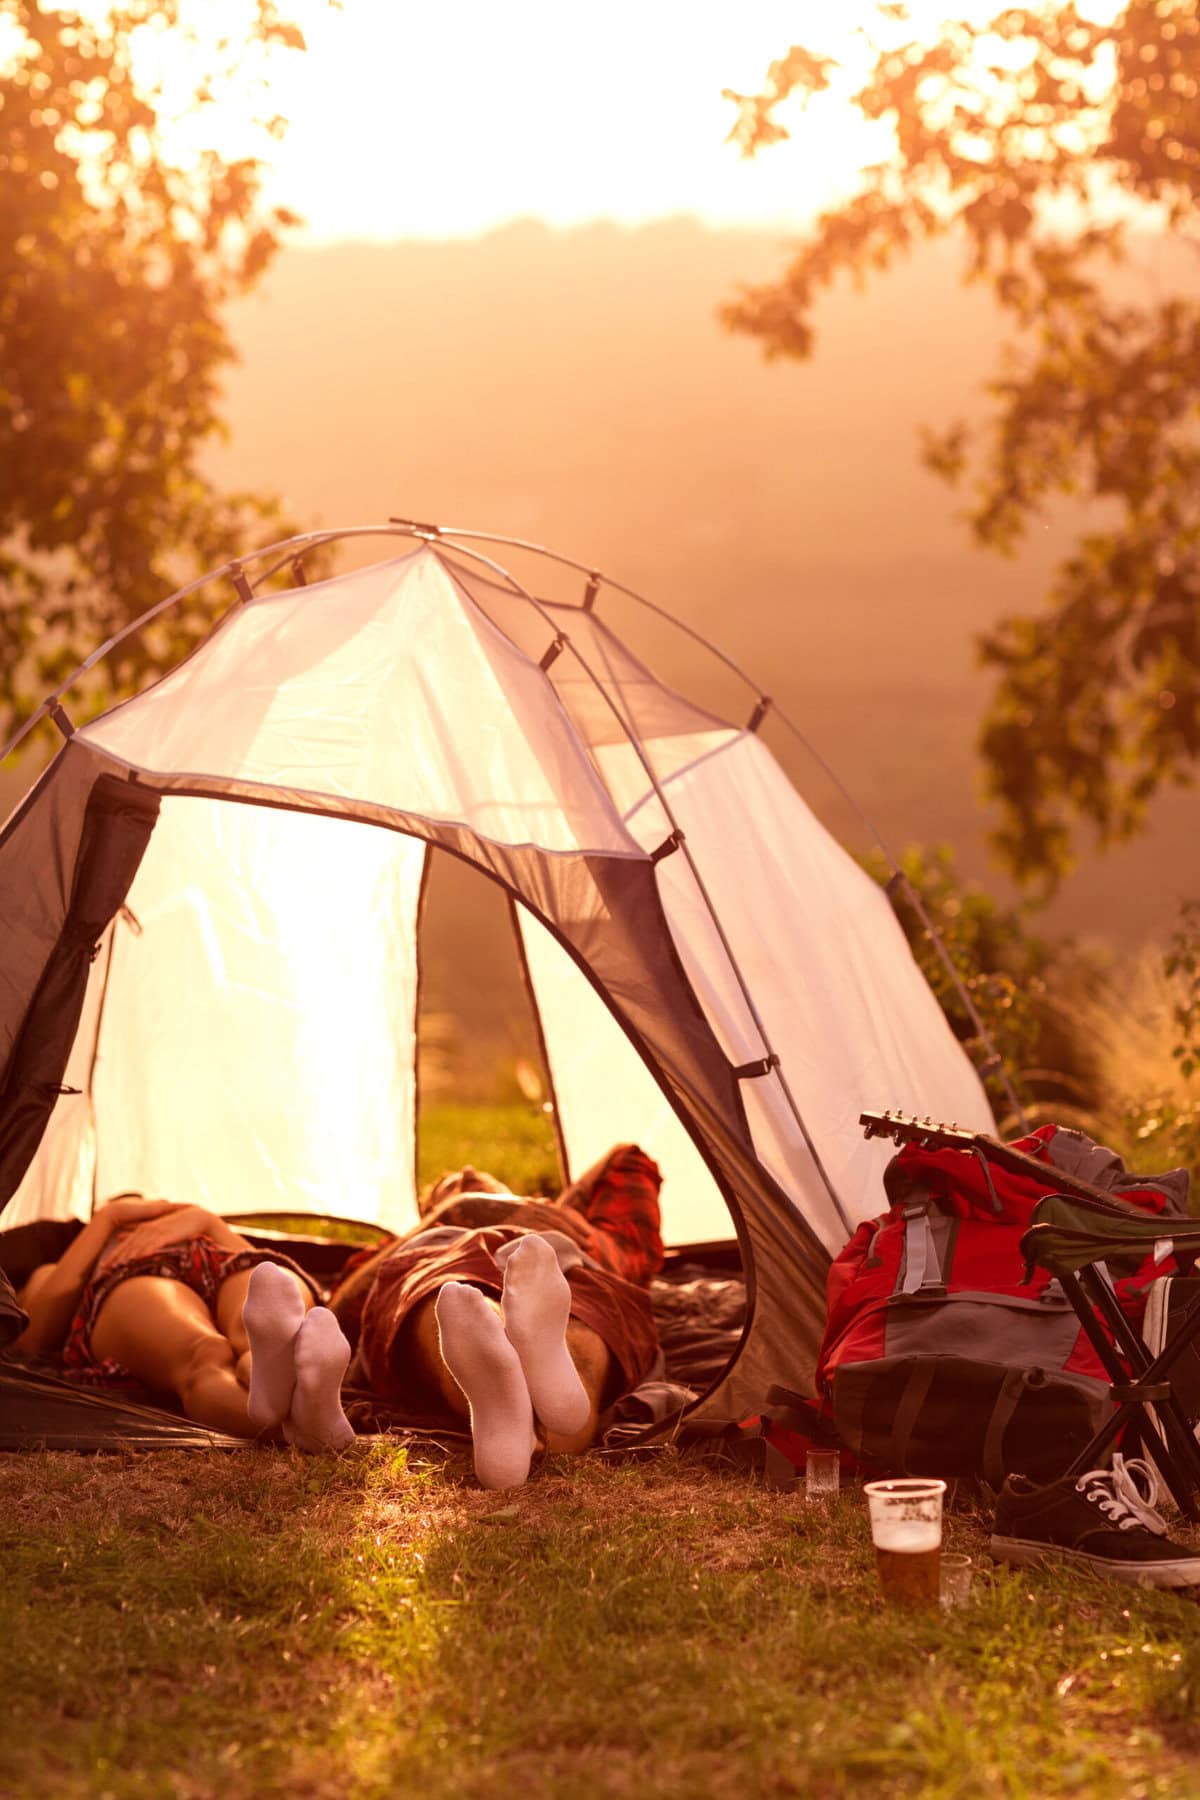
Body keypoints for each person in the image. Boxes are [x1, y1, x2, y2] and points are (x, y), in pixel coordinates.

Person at [330, 1142, 665, 1489]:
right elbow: (343, 1308)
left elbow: (629, 1157)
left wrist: (547, 1207)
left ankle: (515, 1424)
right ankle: (544, 1408)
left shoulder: (572, 1224)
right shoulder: (411, 1240)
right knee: (451, 1299)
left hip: (566, 1262)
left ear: (516, 1195)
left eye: (478, 1182)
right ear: (431, 1211)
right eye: (449, 1189)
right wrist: (462, 1210)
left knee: (581, 1312)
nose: (467, 1176)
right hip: (440, 1252)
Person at [13, 1195, 354, 1451]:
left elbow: (269, 1282)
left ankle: (291, 1395)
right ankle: (296, 1427)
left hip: (214, 1261)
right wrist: (108, 1220)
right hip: (130, 1279)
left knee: (264, 1311)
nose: (148, 1213)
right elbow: (31, 1339)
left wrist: (206, 1222)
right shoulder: (71, 1259)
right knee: (205, 1353)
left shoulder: (196, 1228)